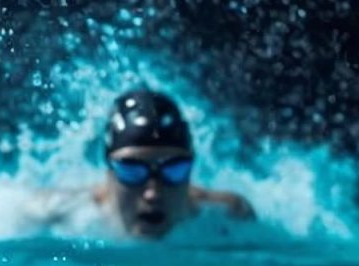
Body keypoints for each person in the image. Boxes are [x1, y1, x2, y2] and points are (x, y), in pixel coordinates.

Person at [91, 87, 254, 240]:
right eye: (132, 171)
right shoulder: (71, 215)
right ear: (109, 172)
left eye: (174, 170)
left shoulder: (230, 214)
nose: (153, 194)